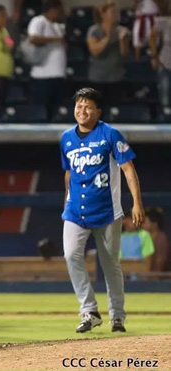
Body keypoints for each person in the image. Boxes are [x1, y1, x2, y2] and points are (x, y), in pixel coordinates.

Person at [60, 87, 145, 334]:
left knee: (110, 265)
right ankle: (89, 311)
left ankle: (117, 316)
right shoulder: (66, 138)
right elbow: (68, 172)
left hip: (107, 212)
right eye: (79, 105)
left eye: (88, 106)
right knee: (71, 255)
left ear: (98, 111)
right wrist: (66, 197)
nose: (82, 110)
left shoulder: (110, 134)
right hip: (75, 211)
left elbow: (128, 169)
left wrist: (137, 203)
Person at [27, 0, 66, 120]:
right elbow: (33, 39)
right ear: (52, 10)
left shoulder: (57, 26)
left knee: (56, 111)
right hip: (43, 76)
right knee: (42, 112)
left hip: (58, 75)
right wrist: (54, 40)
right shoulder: (39, 21)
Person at [86, 1, 130, 105]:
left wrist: (122, 40)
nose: (115, 14)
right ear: (103, 14)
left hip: (116, 77)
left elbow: (125, 54)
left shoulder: (122, 31)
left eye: (116, 12)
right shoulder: (94, 30)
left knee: (115, 109)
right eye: (112, 12)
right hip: (97, 78)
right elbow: (95, 51)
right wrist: (108, 37)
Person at [150, 14, 171, 107]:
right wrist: (154, 56)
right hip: (165, 64)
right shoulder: (165, 22)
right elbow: (152, 36)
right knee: (165, 98)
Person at [142, 208, 171, 272]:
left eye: (145, 221)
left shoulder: (161, 238)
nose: (142, 224)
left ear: (155, 224)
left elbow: (160, 261)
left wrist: (152, 277)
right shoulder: (145, 236)